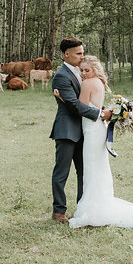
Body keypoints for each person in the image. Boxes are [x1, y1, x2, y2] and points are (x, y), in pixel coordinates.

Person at [54, 55, 133, 229]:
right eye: (81, 70)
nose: (83, 73)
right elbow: (95, 107)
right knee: (96, 168)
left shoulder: (87, 83)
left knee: (91, 168)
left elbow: (79, 107)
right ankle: (95, 204)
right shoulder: (98, 82)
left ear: (95, 69)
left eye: (87, 70)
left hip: (91, 130)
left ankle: (92, 209)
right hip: (97, 129)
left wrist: (62, 99)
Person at [50, 38, 112, 223]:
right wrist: (100, 114)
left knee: (83, 171)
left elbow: (88, 98)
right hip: (67, 130)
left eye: (83, 52)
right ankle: (58, 211)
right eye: (79, 53)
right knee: (62, 172)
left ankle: (83, 207)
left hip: (86, 130)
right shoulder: (61, 76)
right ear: (66, 54)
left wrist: (103, 109)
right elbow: (73, 105)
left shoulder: (81, 73)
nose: (82, 56)